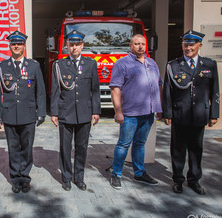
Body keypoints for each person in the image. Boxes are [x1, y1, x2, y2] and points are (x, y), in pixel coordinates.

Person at [163, 30, 219, 195]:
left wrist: (214, 114)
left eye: (192, 44)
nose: (188, 48)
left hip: (200, 114)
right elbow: (167, 91)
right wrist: (167, 113)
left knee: (196, 149)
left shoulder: (209, 65)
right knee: (178, 150)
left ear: (199, 45)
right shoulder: (173, 65)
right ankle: (178, 180)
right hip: (180, 114)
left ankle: (194, 180)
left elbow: (215, 91)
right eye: (185, 44)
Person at [0, 30, 46, 193]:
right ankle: (16, 178)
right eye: (13, 43)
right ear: (10, 46)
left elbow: (40, 91)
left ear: (24, 46)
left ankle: (25, 177)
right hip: (9, 114)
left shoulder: (34, 66)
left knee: (27, 148)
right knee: (13, 148)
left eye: (19, 43)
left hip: (28, 114)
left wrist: (41, 112)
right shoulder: (2, 66)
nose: (16, 46)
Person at [109, 34, 162, 190]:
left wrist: (159, 108)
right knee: (123, 145)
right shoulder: (122, 64)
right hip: (130, 114)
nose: (140, 47)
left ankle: (139, 173)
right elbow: (115, 88)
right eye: (137, 44)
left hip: (148, 112)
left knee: (140, 144)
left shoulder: (152, 63)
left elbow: (159, 85)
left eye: (143, 44)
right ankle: (116, 174)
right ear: (130, 46)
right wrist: (118, 111)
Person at [50, 30, 101, 191]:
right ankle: (66, 178)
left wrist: (96, 111)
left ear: (82, 46)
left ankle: (79, 177)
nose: (74, 48)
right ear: (67, 46)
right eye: (71, 45)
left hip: (85, 113)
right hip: (66, 112)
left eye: (77, 45)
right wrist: (54, 112)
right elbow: (55, 90)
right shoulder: (59, 65)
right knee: (65, 148)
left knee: (82, 147)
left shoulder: (90, 64)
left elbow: (95, 90)